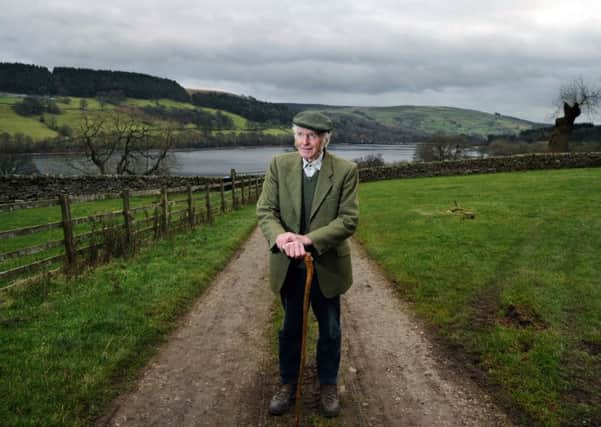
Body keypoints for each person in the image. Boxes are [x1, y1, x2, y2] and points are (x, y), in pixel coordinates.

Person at [256, 111, 359, 417]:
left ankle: (327, 385)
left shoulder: (345, 170)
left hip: (326, 267)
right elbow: (266, 210)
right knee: (290, 329)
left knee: (329, 330)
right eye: (300, 135)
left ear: (324, 140)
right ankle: (288, 384)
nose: (305, 142)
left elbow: (349, 220)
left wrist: (308, 239)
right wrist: (282, 238)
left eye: (312, 136)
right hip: (289, 266)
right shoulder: (279, 165)